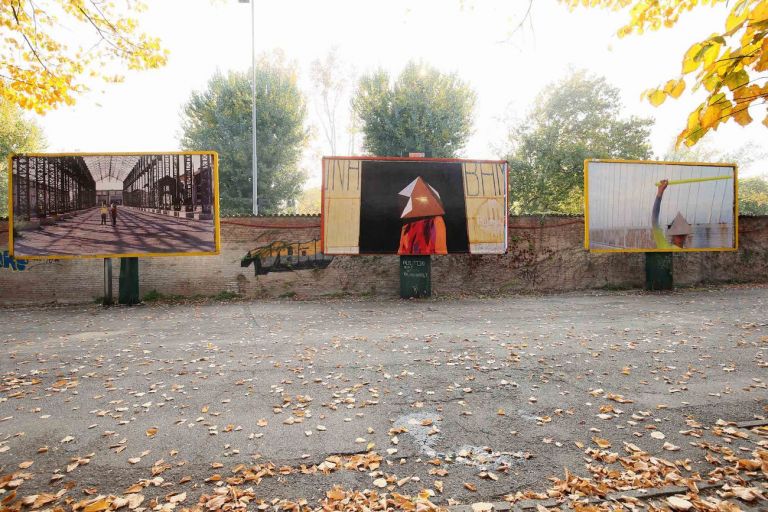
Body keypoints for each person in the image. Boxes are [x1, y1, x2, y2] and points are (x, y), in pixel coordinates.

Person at [652, 180, 692, 249]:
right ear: (673, 234)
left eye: (682, 232)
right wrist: (660, 193)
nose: (680, 234)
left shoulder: (688, 252)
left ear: (685, 235)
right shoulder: (664, 246)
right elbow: (654, 221)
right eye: (677, 230)